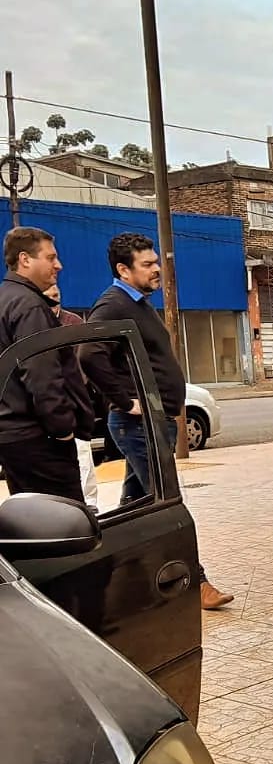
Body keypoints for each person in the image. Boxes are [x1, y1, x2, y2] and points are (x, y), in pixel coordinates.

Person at [82, 233, 234, 612]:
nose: (156, 270)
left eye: (156, 262)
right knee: (168, 505)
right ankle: (196, 583)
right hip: (139, 425)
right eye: (147, 264)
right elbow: (88, 355)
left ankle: (115, 581)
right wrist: (125, 401)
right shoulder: (112, 305)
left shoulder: (138, 304)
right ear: (123, 269)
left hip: (155, 422)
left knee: (134, 506)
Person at [0, 227, 91, 502]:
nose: (58, 265)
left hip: (14, 437)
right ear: (25, 259)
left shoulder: (6, 298)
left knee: (33, 518)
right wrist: (62, 429)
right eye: (50, 257)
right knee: (66, 518)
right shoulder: (29, 306)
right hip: (39, 441)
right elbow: (42, 375)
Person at [44, 285, 99, 512]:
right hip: (47, 399)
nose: (53, 301)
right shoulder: (35, 322)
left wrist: (78, 384)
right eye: (48, 297)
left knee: (82, 453)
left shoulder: (73, 322)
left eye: (56, 296)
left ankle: (90, 503)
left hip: (73, 398)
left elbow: (85, 358)